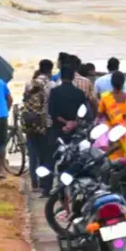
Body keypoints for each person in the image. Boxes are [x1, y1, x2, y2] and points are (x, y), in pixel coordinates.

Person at [43, 65, 88, 194]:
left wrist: (65, 123)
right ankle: (74, 187)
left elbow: (51, 112)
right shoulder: (80, 93)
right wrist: (73, 123)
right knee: (75, 159)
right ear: (73, 77)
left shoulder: (55, 92)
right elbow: (84, 112)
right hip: (74, 132)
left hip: (57, 130)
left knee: (51, 158)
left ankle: (47, 188)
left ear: (61, 77)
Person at [23, 60, 52, 191]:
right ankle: (43, 182)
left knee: (32, 153)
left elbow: (24, 100)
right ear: (50, 71)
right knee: (44, 155)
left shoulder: (29, 83)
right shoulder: (51, 85)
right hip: (44, 125)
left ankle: (34, 182)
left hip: (29, 123)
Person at [97, 71, 126, 160]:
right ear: (123, 83)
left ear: (112, 83)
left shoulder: (105, 97)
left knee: (111, 155)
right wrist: (123, 117)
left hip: (110, 131)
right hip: (123, 131)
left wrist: (110, 117)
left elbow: (99, 114)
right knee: (125, 156)